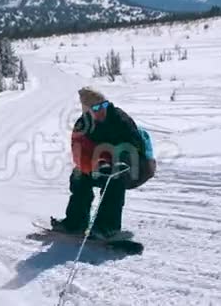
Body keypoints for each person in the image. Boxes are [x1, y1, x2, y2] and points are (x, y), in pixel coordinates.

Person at [51, 87, 156, 238]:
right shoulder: (82, 126)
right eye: (96, 107)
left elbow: (134, 144)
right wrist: (97, 165)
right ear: (87, 111)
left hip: (138, 167)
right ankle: (76, 222)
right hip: (102, 165)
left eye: (104, 105)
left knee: (115, 177)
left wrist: (122, 161)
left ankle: (106, 227)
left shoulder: (120, 118)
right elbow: (79, 156)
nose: (101, 110)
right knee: (79, 175)